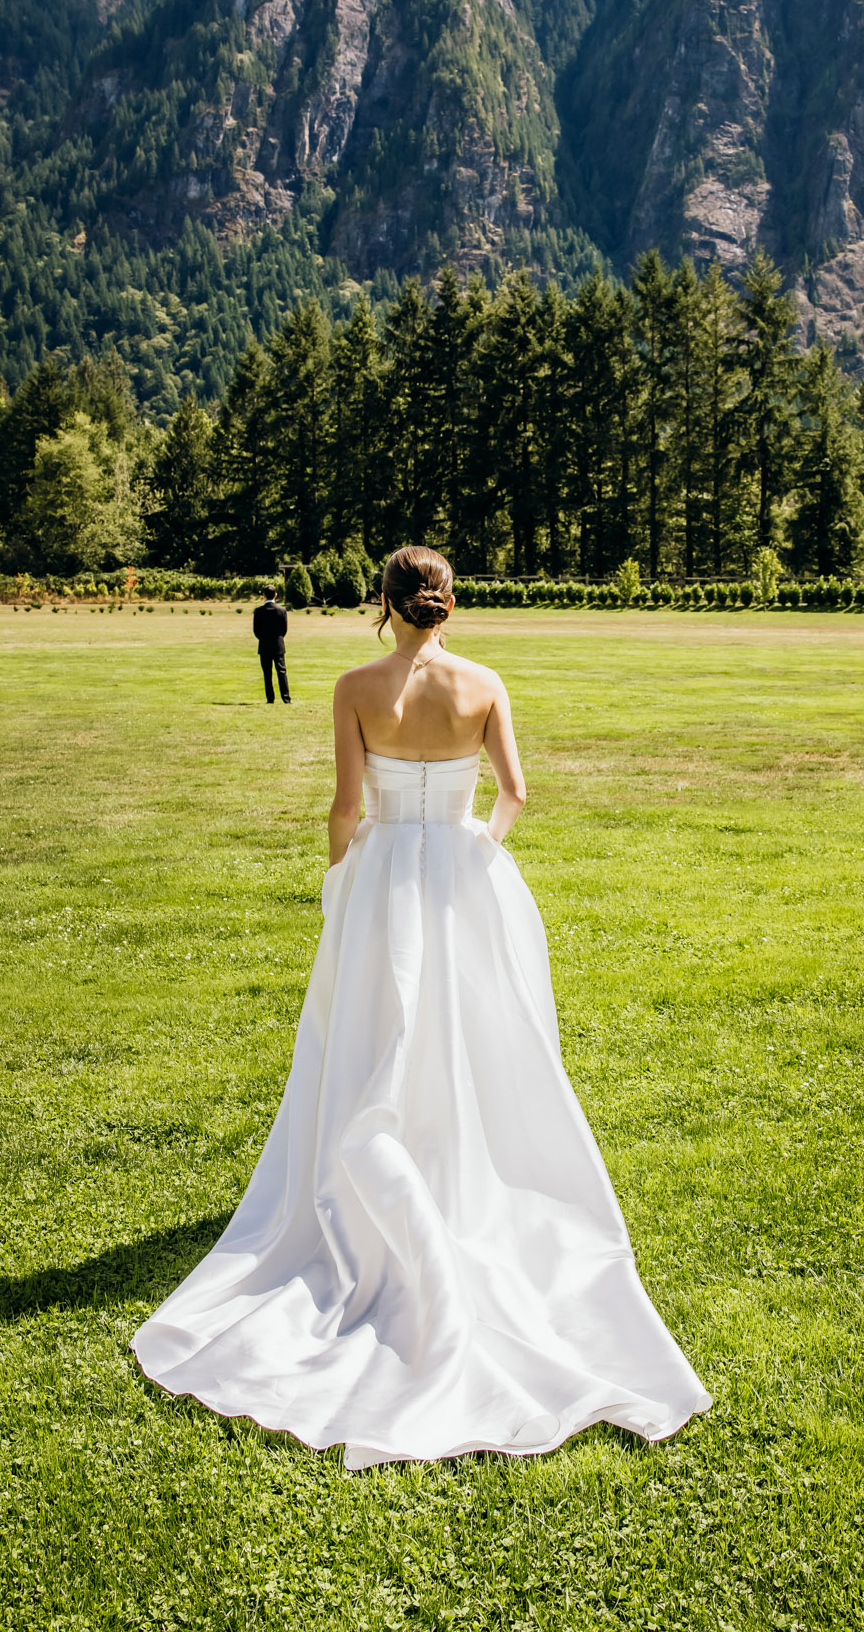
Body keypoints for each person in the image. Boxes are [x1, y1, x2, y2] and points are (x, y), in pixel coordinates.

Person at [133, 543, 710, 1468]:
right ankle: (457, 1166)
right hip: (464, 877)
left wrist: (338, 882)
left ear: (383, 603)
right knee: (477, 1035)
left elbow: (342, 806)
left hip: (385, 876)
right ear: (446, 603)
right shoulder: (484, 683)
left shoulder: (356, 686)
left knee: (374, 1034)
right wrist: (479, 845)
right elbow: (517, 793)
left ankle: (386, 1165)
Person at [252, 585, 289, 705]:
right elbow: (284, 629)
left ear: (264, 595)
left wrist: (263, 638)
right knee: (281, 672)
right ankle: (286, 698)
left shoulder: (258, 611)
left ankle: (270, 699)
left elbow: (256, 630)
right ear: (276, 595)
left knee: (267, 673)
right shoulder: (282, 610)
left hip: (264, 645)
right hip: (278, 645)